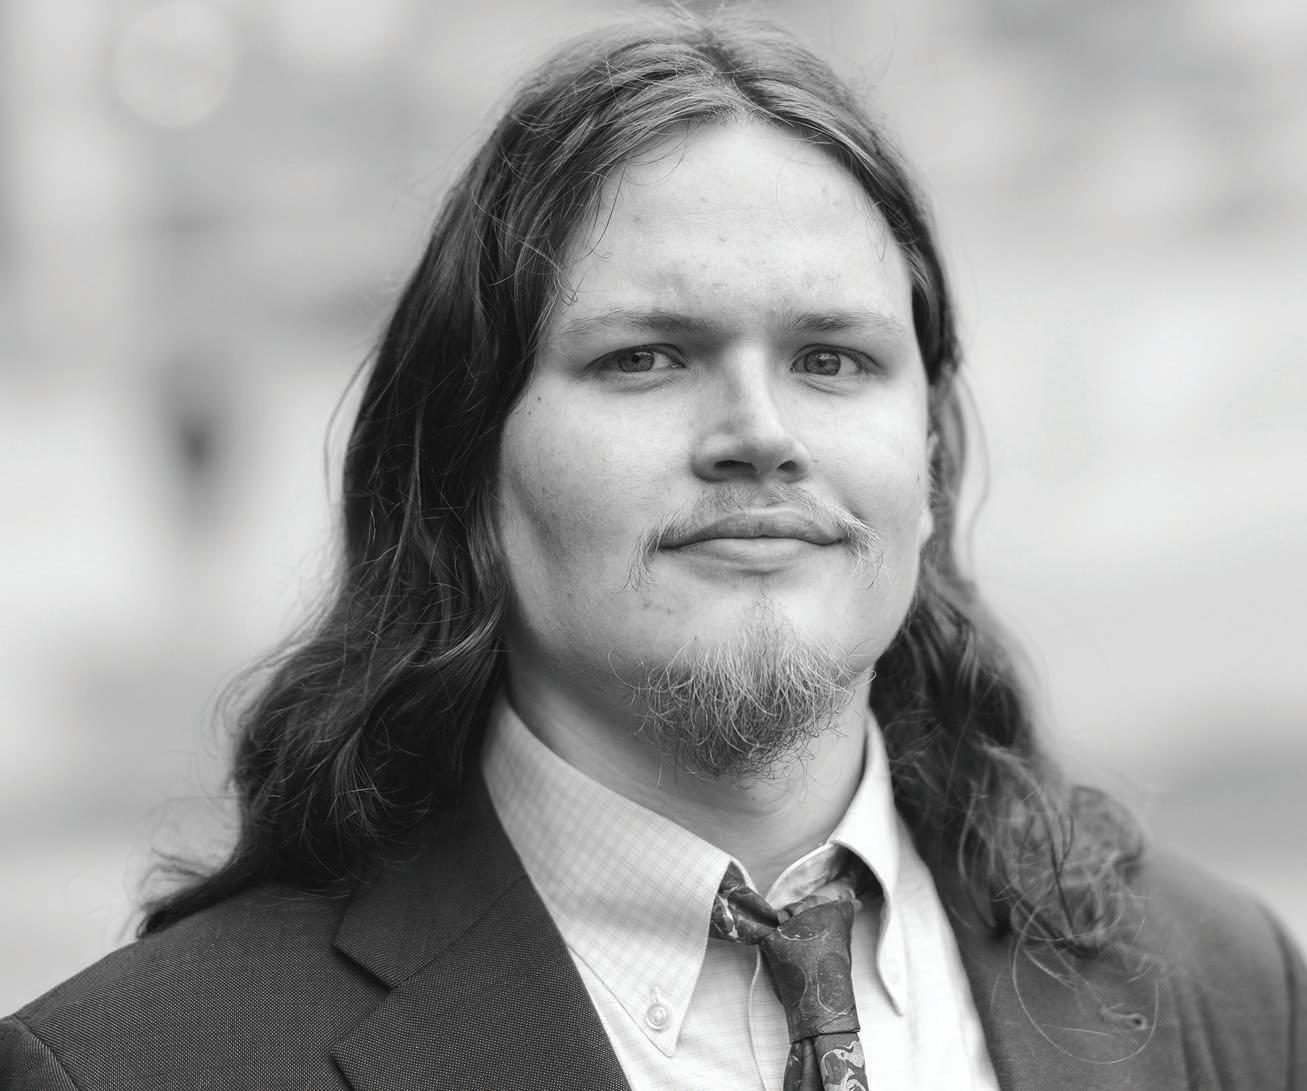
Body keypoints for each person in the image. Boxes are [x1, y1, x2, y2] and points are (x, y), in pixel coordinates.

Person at [3, 14, 1303, 1091]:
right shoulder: (129, 1070)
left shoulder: (1232, 993)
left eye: (832, 358)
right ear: (465, 467)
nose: (760, 433)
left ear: (929, 458)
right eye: (644, 359)